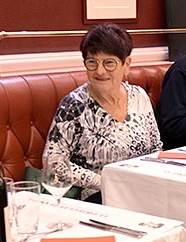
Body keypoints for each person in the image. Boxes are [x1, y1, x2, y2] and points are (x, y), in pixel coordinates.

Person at [44, 24, 161, 202]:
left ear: (126, 64)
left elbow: (156, 147)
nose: (99, 71)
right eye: (92, 62)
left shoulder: (139, 96)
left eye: (108, 63)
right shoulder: (74, 106)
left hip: (143, 189)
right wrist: (105, 182)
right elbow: (53, 163)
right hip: (99, 196)